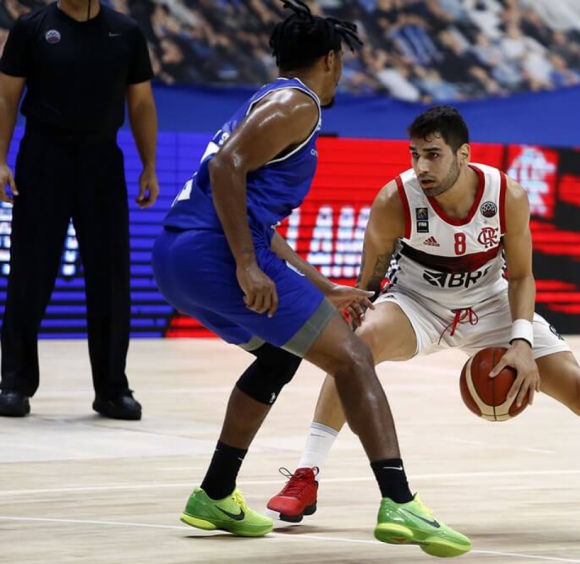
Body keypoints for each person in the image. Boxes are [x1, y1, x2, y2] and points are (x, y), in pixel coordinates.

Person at [268, 105, 580, 549]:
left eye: (433, 154)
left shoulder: (506, 195)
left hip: (491, 301)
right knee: (356, 351)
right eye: (415, 155)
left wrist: (519, 341)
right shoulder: (395, 199)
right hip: (418, 302)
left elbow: (521, 277)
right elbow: (368, 283)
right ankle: (306, 476)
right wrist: (353, 316)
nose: (422, 167)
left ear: (463, 154)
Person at [151, 2, 471, 556]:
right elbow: (226, 169)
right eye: (340, 61)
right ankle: (400, 501)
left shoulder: (264, 101)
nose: (341, 72)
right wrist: (247, 265)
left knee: (279, 357)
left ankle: (216, 493)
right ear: (329, 58)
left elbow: (246, 203)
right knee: (352, 358)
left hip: (177, 256)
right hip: (214, 253)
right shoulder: (297, 103)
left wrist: (320, 285)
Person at [0, 0, 159, 420]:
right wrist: (0, 161)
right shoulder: (32, 27)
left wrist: (149, 166)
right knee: (30, 273)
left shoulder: (126, 32)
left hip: (101, 159)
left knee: (110, 277)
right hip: (42, 155)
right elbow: (6, 97)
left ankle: (111, 389)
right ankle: (14, 384)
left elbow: (141, 103)